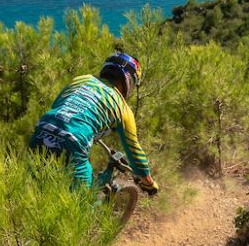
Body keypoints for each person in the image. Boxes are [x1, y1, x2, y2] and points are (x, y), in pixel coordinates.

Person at [30, 52, 158, 195]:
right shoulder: (122, 108)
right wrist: (149, 182)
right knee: (81, 206)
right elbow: (134, 152)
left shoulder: (82, 79)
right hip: (74, 141)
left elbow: (58, 104)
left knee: (35, 193)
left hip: (42, 129)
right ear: (129, 80)